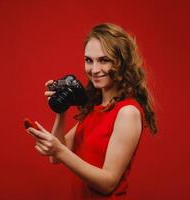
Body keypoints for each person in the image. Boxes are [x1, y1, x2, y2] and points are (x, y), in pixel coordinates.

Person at [27, 23, 157, 199]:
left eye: (104, 60)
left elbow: (108, 183)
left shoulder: (127, 112)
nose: (94, 70)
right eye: (89, 60)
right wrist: (61, 108)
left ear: (121, 62)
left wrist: (58, 150)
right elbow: (55, 157)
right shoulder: (94, 108)